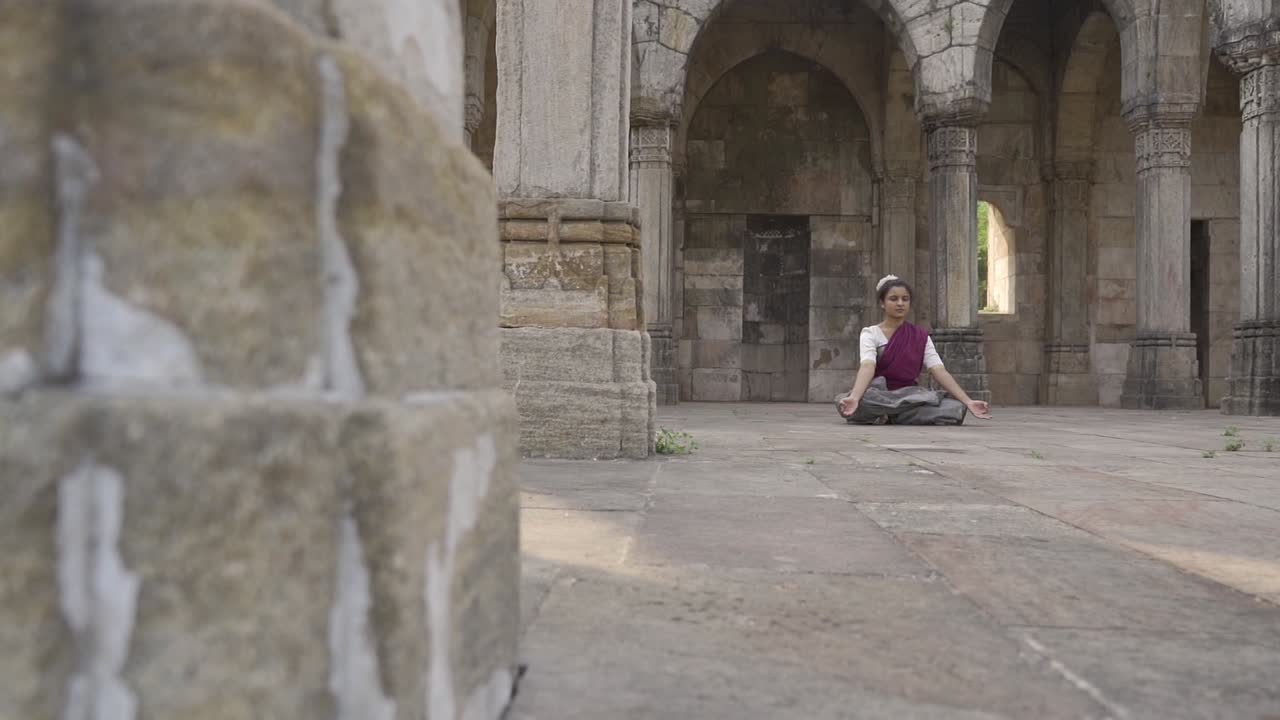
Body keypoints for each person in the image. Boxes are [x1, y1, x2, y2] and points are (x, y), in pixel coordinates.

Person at [836, 275, 992, 425]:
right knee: (849, 402)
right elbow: (867, 366)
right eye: (893, 299)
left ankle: (888, 415)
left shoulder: (920, 335)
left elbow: (938, 370)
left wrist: (968, 401)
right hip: (878, 394)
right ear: (882, 303)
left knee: (955, 408)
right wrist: (855, 397)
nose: (900, 303)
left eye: (905, 299)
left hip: (909, 395)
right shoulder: (870, 333)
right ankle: (895, 414)